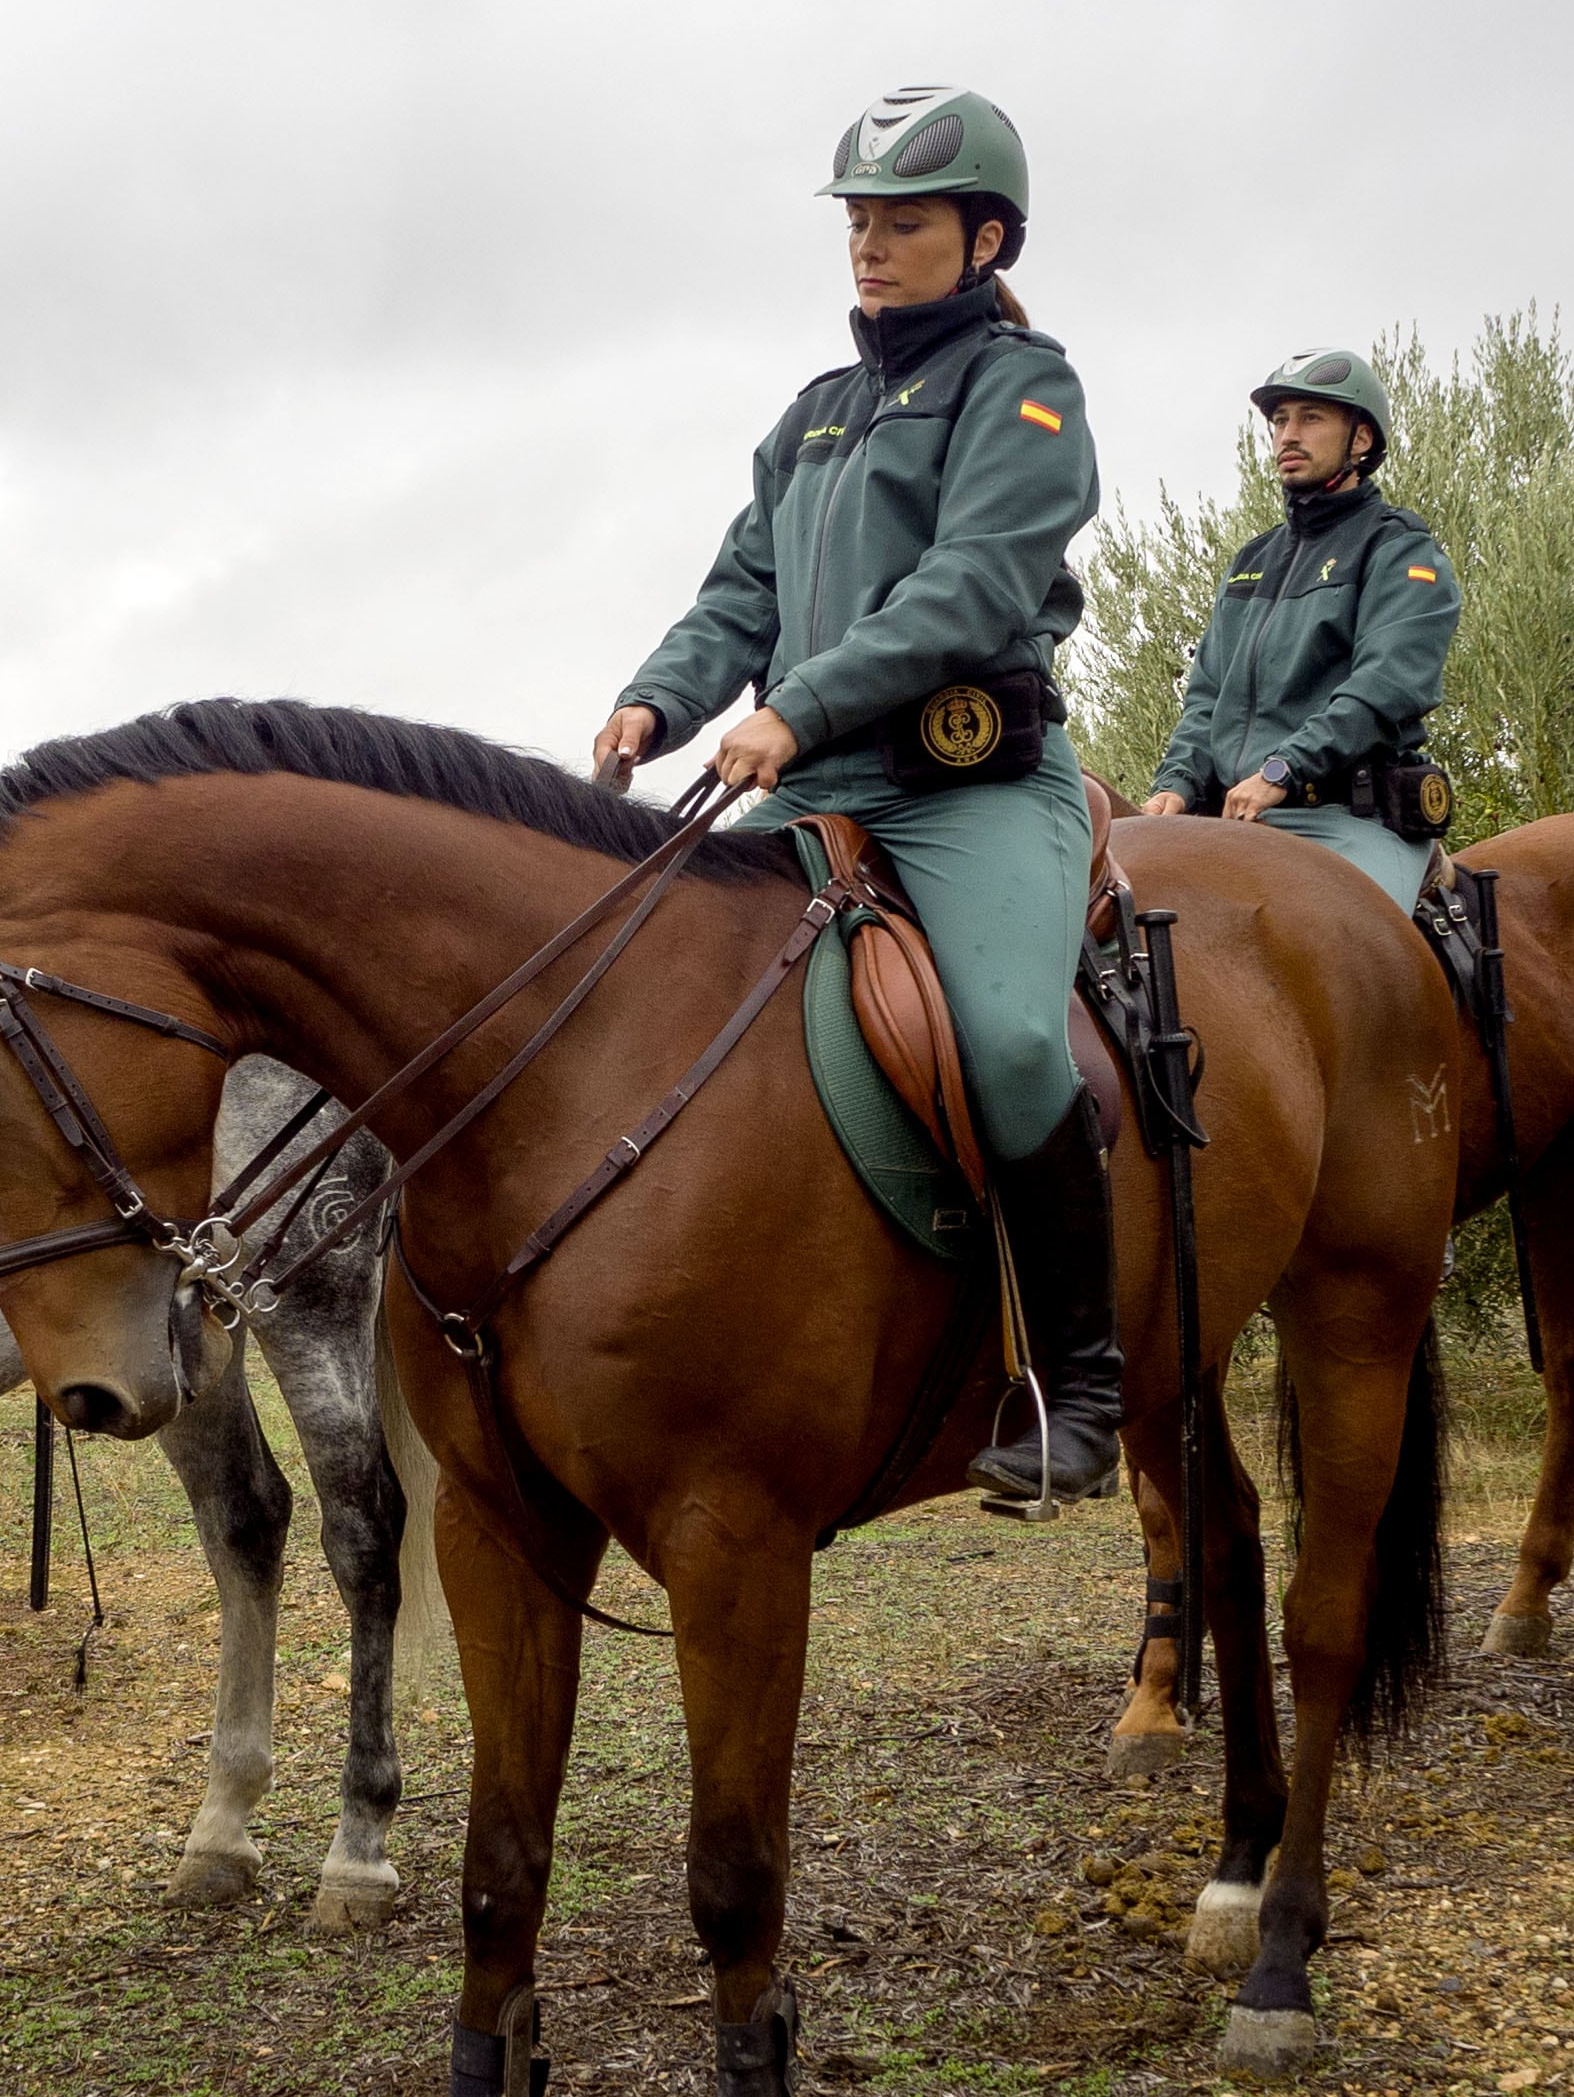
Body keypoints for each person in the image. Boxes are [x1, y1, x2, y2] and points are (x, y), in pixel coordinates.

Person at [590, 85, 1120, 1506]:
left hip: (968, 791)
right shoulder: (813, 417)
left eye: (906, 223)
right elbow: (741, 594)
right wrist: (659, 697)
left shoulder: (1026, 389)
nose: (872, 247)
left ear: (987, 237)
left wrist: (799, 706)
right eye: (860, 223)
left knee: (1010, 1041)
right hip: (807, 785)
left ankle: (1079, 1387)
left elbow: (971, 590)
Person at [1138, 348, 1461, 910]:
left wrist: (1283, 768)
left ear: (1360, 440)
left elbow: (1388, 685)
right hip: (1234, 821)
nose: (1289, 434)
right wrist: (1177, 784)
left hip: (1347, 821)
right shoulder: (1251, 561)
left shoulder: (1399, 549)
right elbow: (1207, 696)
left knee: (1357, 957)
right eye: (1280, 420)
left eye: (1311, 418)